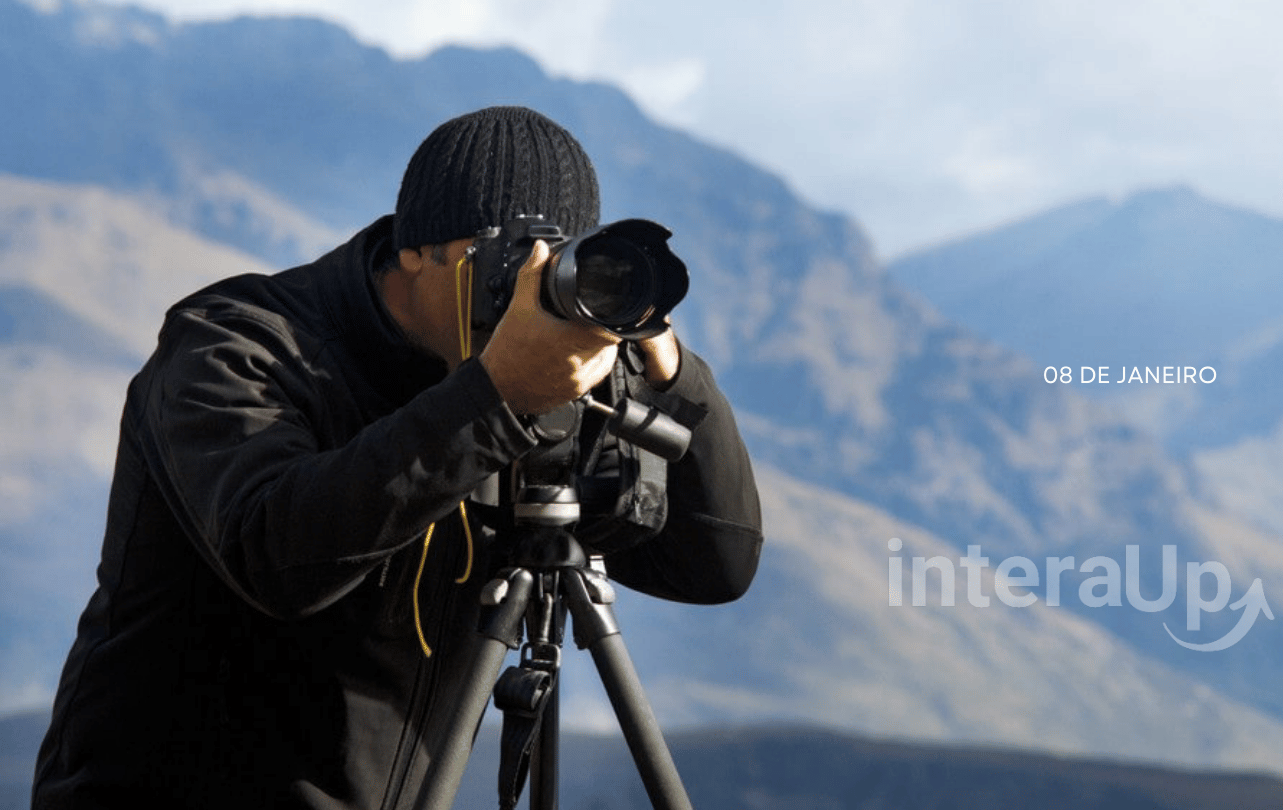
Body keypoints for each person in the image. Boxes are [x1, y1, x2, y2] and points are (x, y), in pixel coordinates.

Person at [32, 106, 764, 809]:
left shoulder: (559, 379)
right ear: (415, 250)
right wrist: (495, 398)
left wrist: (671, 371)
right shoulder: (238, 346)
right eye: (508, 262)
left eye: (557, 268)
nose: (528, 299)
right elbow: (274, 553)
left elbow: (715, 566)